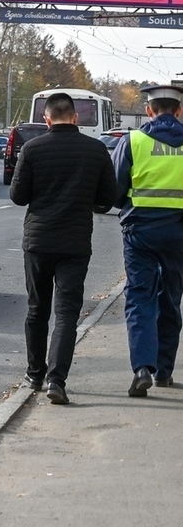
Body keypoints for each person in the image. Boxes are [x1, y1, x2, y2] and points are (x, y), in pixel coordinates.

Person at [10, 91, 118, 405]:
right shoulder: (96, 150)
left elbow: (18, 196)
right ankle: (57, 380)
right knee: (67, 313)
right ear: (75, 117)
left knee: (36, 309)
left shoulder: (32, 149)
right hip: (75, 242)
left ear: (46, 118)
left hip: (38, 241)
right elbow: (106, 199)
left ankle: (35, 372)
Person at [112, 84, 183, 397]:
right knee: (171, 298)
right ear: (178, 111)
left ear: (149, 110)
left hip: (139, 234)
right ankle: (164, 372)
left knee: (140, 297)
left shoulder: (133, 141)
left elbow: (115, 190)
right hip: (179, 234)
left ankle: (142, 367)